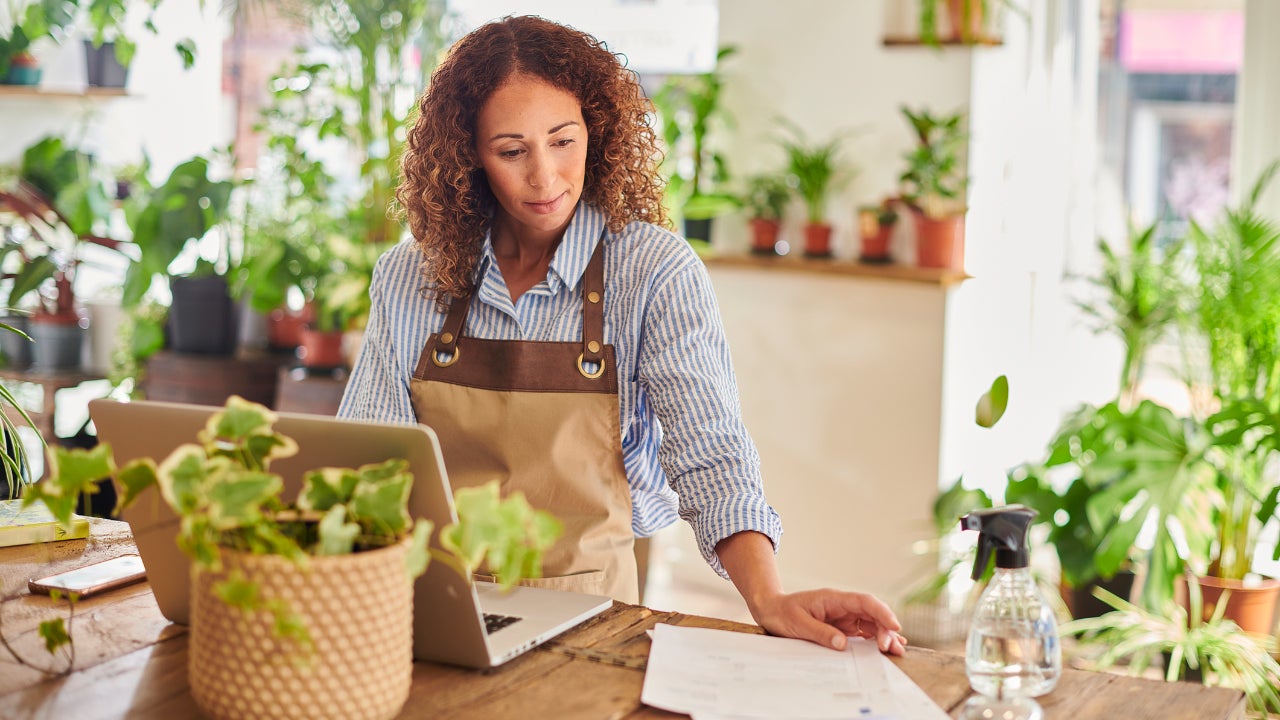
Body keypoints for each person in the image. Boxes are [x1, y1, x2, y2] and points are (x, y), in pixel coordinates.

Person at [338, 14, 906, 656]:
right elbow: (367, 460)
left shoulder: (653, 272)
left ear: (597, 132)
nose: (545, 177)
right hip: (429, 607)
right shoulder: (409, 274)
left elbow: (711, 454)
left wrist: (768, 597)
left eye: (563, 140)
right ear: (469, 154)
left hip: (589, 620)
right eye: (512, 151)